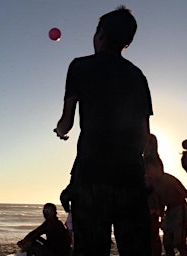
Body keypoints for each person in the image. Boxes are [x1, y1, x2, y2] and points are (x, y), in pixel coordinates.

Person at [54, 5, 153, 256]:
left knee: (90, 248)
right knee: (135, 248)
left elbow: (67, 121)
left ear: (100, 35)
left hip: (91, 175)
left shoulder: (80, 66)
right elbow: (145, 134)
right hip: (130, 176)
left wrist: (60, 129)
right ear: (127, 42)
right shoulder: (137, 76)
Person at [144, 134, 187, 256]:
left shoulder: (168, 179)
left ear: (158, 168)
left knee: (179, 243)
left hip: (181, 209)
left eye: (150, 170)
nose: (149, 174)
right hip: (169, 212)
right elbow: (160, 202)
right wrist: (161, 217)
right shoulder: (154, 184)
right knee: (167, 244)